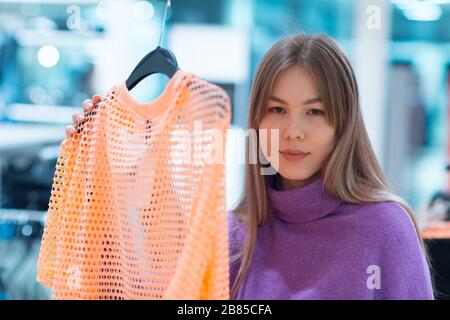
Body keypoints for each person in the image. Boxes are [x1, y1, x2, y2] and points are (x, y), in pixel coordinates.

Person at [66, 33, 434, 300]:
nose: (293, 132)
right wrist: (100, 165)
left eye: (315, 112)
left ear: (343, 125)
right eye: (277, 110)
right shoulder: (232, 235)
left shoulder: (384, 227)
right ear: (256, 121)